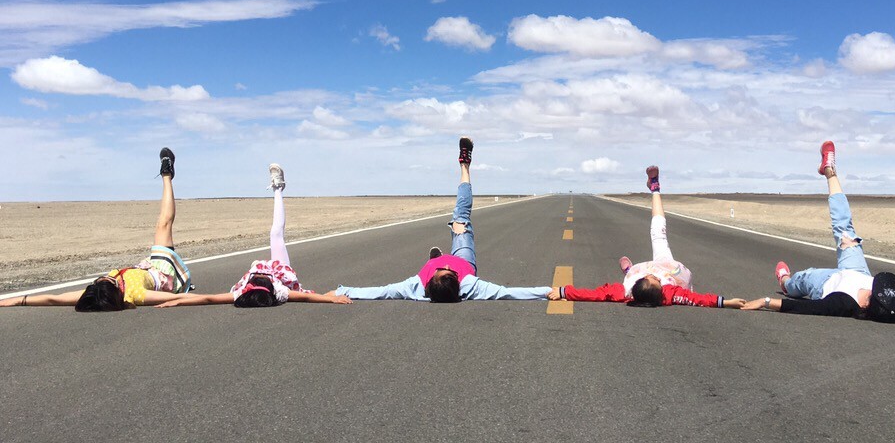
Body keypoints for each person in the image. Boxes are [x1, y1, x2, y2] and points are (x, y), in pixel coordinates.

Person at [742, 141, 895, 321]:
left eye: (875, 290)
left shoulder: (843, 302)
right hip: (856, 270)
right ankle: (829, 172)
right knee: (845, 227)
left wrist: (765, 302)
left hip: (825, 282)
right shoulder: (893, 302)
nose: (878, 286)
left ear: (866, 303)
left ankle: (784, 281)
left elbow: (806, 308)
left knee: (797, 283)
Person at [334, 138, 550, 302]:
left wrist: (342, 291)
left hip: (434, 268)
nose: (447, 265)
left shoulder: (415, 286)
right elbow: (507, 293)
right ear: (458, 282)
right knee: (460, 218)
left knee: (437, 254)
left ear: (428, 282)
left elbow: (381, 291)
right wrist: (551, 291)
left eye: (441, 269)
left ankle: (433, 258)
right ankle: (465, 166)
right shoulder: (468, 283)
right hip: (464, 259)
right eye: (448, 270)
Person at [1, 148, 193, 310]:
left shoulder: (97, 293)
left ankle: (166, 174)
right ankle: (167, 175)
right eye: (106, 280)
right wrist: (222, 297)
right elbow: (184, 299)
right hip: (165, 272)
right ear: (117, 291)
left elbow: (54, 299)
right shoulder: (136, 295)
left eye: (97, 281)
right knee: (163, 224)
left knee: (162, 224)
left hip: (148, 266)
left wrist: (19, 300)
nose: (102, 278)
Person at [547, 166, 744, 309]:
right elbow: (702, 300)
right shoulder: (671, 294)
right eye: (654, 280)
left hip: (637, 272)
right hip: (670, 267)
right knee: (659, 233)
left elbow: (594, 294)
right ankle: (655, 190)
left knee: (656, 231)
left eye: (649, 278)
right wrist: (727, 302)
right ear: (661, 291)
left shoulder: (626, 291)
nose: (653, 276)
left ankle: (655, 188)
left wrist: (564, 292)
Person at [158, 164, 351, 308]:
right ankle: (279, 188)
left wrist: (176, 301)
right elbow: (308, 297)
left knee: (275, 234)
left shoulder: (241, 291)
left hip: (268, 280)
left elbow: (207, 298)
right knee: (276, 234)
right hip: (281, 272)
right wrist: (331, 298)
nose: (257, 274)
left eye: (254, 278)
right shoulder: (281, 290)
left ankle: (278, 189)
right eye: (258, 277)